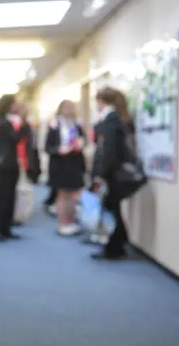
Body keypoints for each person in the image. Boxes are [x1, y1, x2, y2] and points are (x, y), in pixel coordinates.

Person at [91, 87, 132, 259]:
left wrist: (100, 173)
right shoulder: (117, 118)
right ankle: (119, 241)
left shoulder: (110, 120)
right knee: (113, 208)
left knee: (111, 208)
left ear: (101, 101)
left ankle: (115, 246)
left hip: (111, 173)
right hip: (115, 171)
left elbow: (108, 150)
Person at [0, 94, 31, 241]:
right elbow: (15, 139)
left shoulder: (5, 122)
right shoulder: (4, 123)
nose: (17, 107)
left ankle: (5, 229)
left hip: (8, 164)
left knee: (9, 198)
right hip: (4, 166)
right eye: (14, 104)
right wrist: (25, 123)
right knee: (3, 198)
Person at [45, 100, 86, 236]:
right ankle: (62, 224)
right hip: (60, 163)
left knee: (75, 193)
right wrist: (59, 150)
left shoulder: (77, 124)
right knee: (63, 193)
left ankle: (71, 222)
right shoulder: (55, 125)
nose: (70, 110)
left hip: (75, 162)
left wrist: (80, 144)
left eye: (72, 108)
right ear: (61, 109)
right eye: (67, 107)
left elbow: (83, 140)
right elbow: (48, 147)